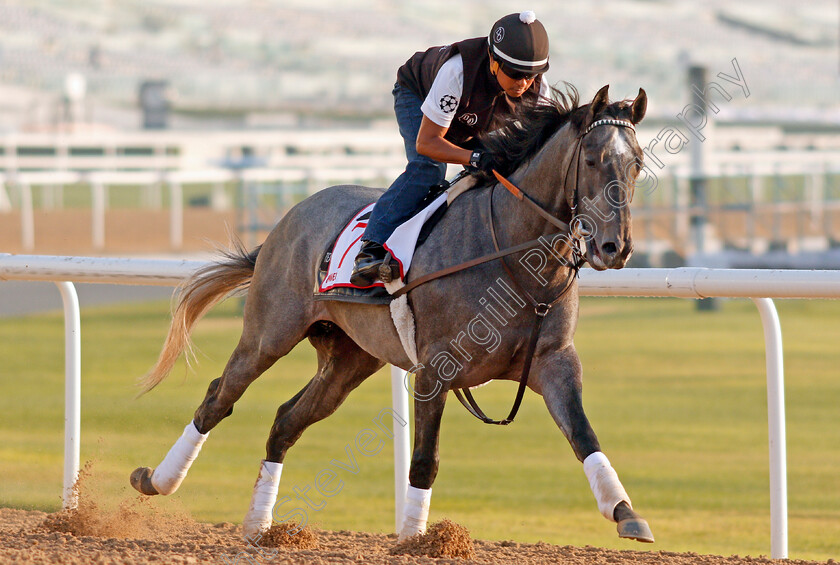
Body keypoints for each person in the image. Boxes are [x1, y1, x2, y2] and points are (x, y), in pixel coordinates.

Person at [349, 11, 551, 287]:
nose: (524, 83)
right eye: (515, 74)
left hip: (467, 119)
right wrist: (474, 156)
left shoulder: (538, 90)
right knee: (428, 170)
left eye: (531, 74)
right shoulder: (458, 71)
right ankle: (370, 248)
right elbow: (428, 143)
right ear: (493, 60)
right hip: (417, 95)